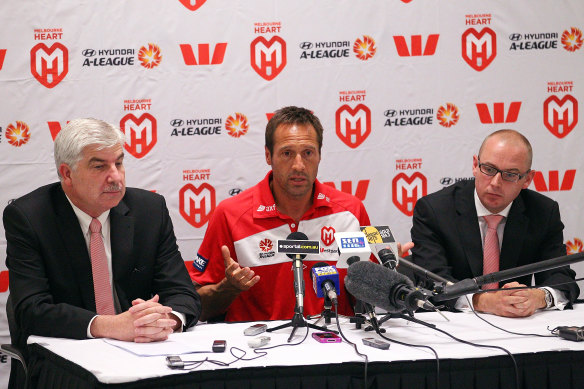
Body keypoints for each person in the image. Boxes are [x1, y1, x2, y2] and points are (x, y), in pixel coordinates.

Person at [4, 118, 201, 387]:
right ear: (67, 173)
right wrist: (110, 325)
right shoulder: (30, 218)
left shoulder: (149, 210)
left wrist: (165, 320)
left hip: (144, 358)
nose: (116, 177)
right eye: (100, 166)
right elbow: (31, 310)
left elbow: (182, 291)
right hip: (66, 366)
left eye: (118, 163)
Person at [189, 106, 411, 322]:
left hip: (337, 346)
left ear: (320, 156)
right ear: (268, 155)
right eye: (287, 153)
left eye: (308, 153)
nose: (298, 165)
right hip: (258, 352)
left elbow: (364, 293)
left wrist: (386, 268)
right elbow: (196, 306)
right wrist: (228, 288)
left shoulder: (351, 210)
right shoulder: (230, 214)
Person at [411, 129, 579, 317]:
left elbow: (561, 279)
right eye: (489, 170)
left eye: (510, 174)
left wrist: (538, 297)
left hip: (519, 326)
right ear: (475, 165)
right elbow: (432, 282)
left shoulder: (543, 212)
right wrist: (483, 301)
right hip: (455, 325)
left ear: (527, 179)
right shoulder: (434, 210)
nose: (496, 183)